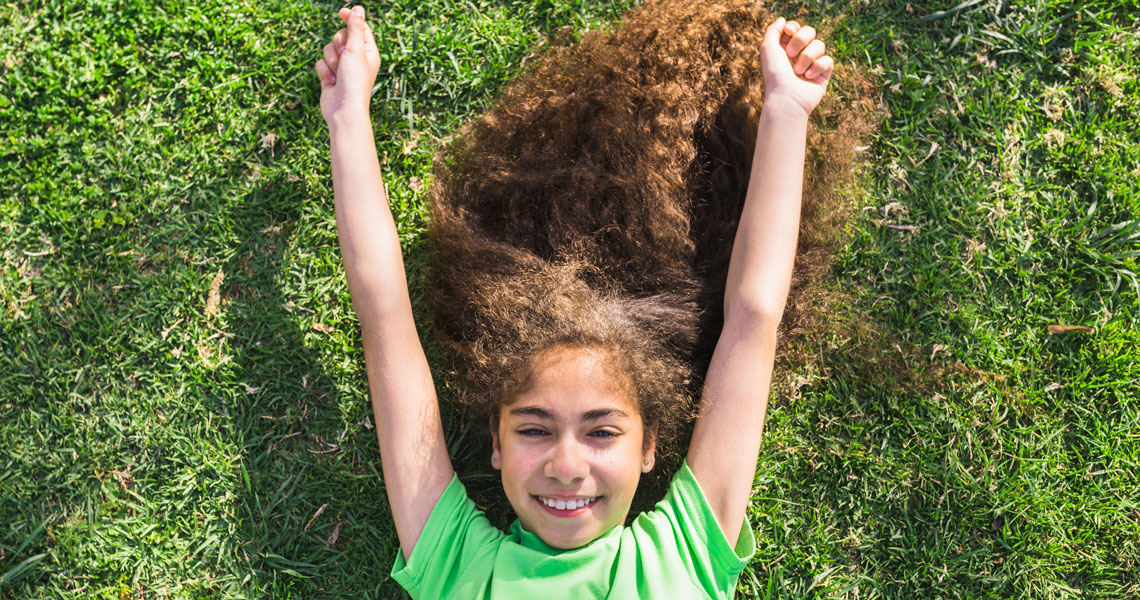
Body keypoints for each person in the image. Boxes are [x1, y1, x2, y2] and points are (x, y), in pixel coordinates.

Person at [316, 1, 834, 597]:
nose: (565, 467)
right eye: (534, 430)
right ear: (496, 444)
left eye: (603, 432)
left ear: (648, 446)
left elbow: (754, 318)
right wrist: (346, 113)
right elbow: (383, 318)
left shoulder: (682, 556)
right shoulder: (460, 566)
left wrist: (787, 110)